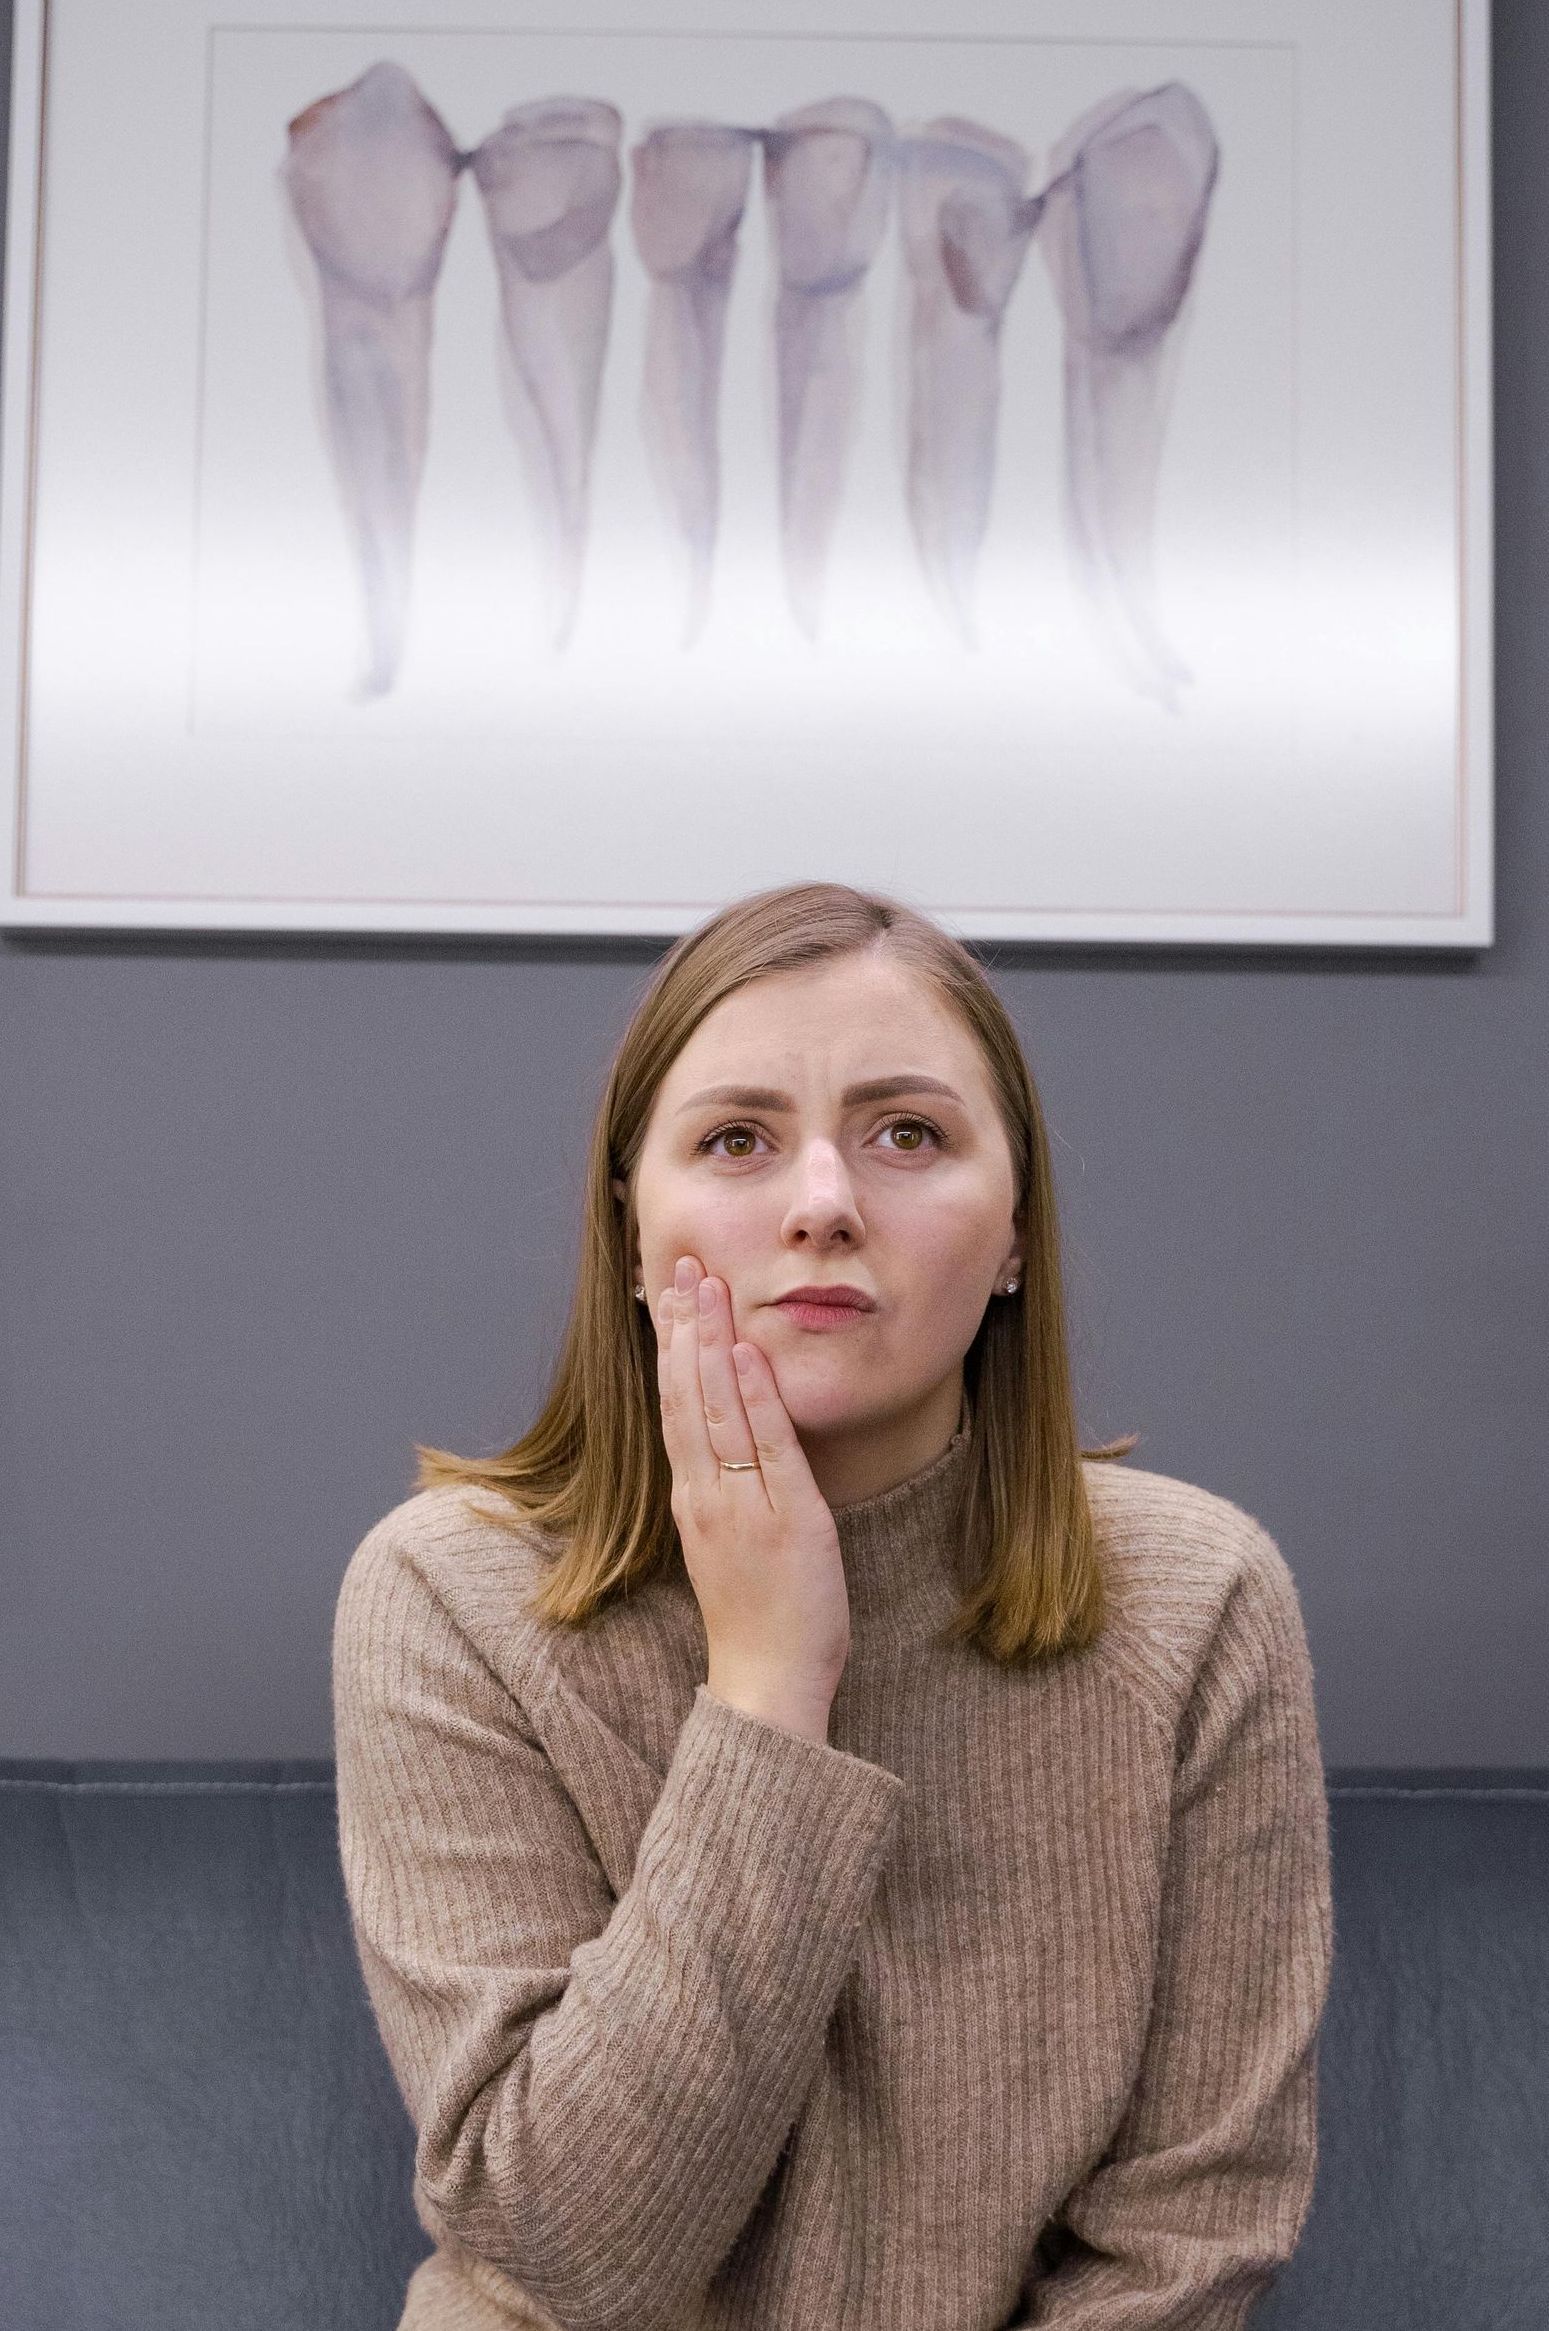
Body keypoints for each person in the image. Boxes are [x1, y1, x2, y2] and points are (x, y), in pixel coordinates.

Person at [331, 879, 1334, 2331]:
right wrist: (764, 1685)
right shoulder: (443, 1592)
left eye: (906, 1135)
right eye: (736, 1140)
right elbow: (563, 2243)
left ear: (1011, 1240)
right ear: (629, 1233)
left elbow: (1190, 2238)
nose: (821, 1205)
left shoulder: (1200, 1599)